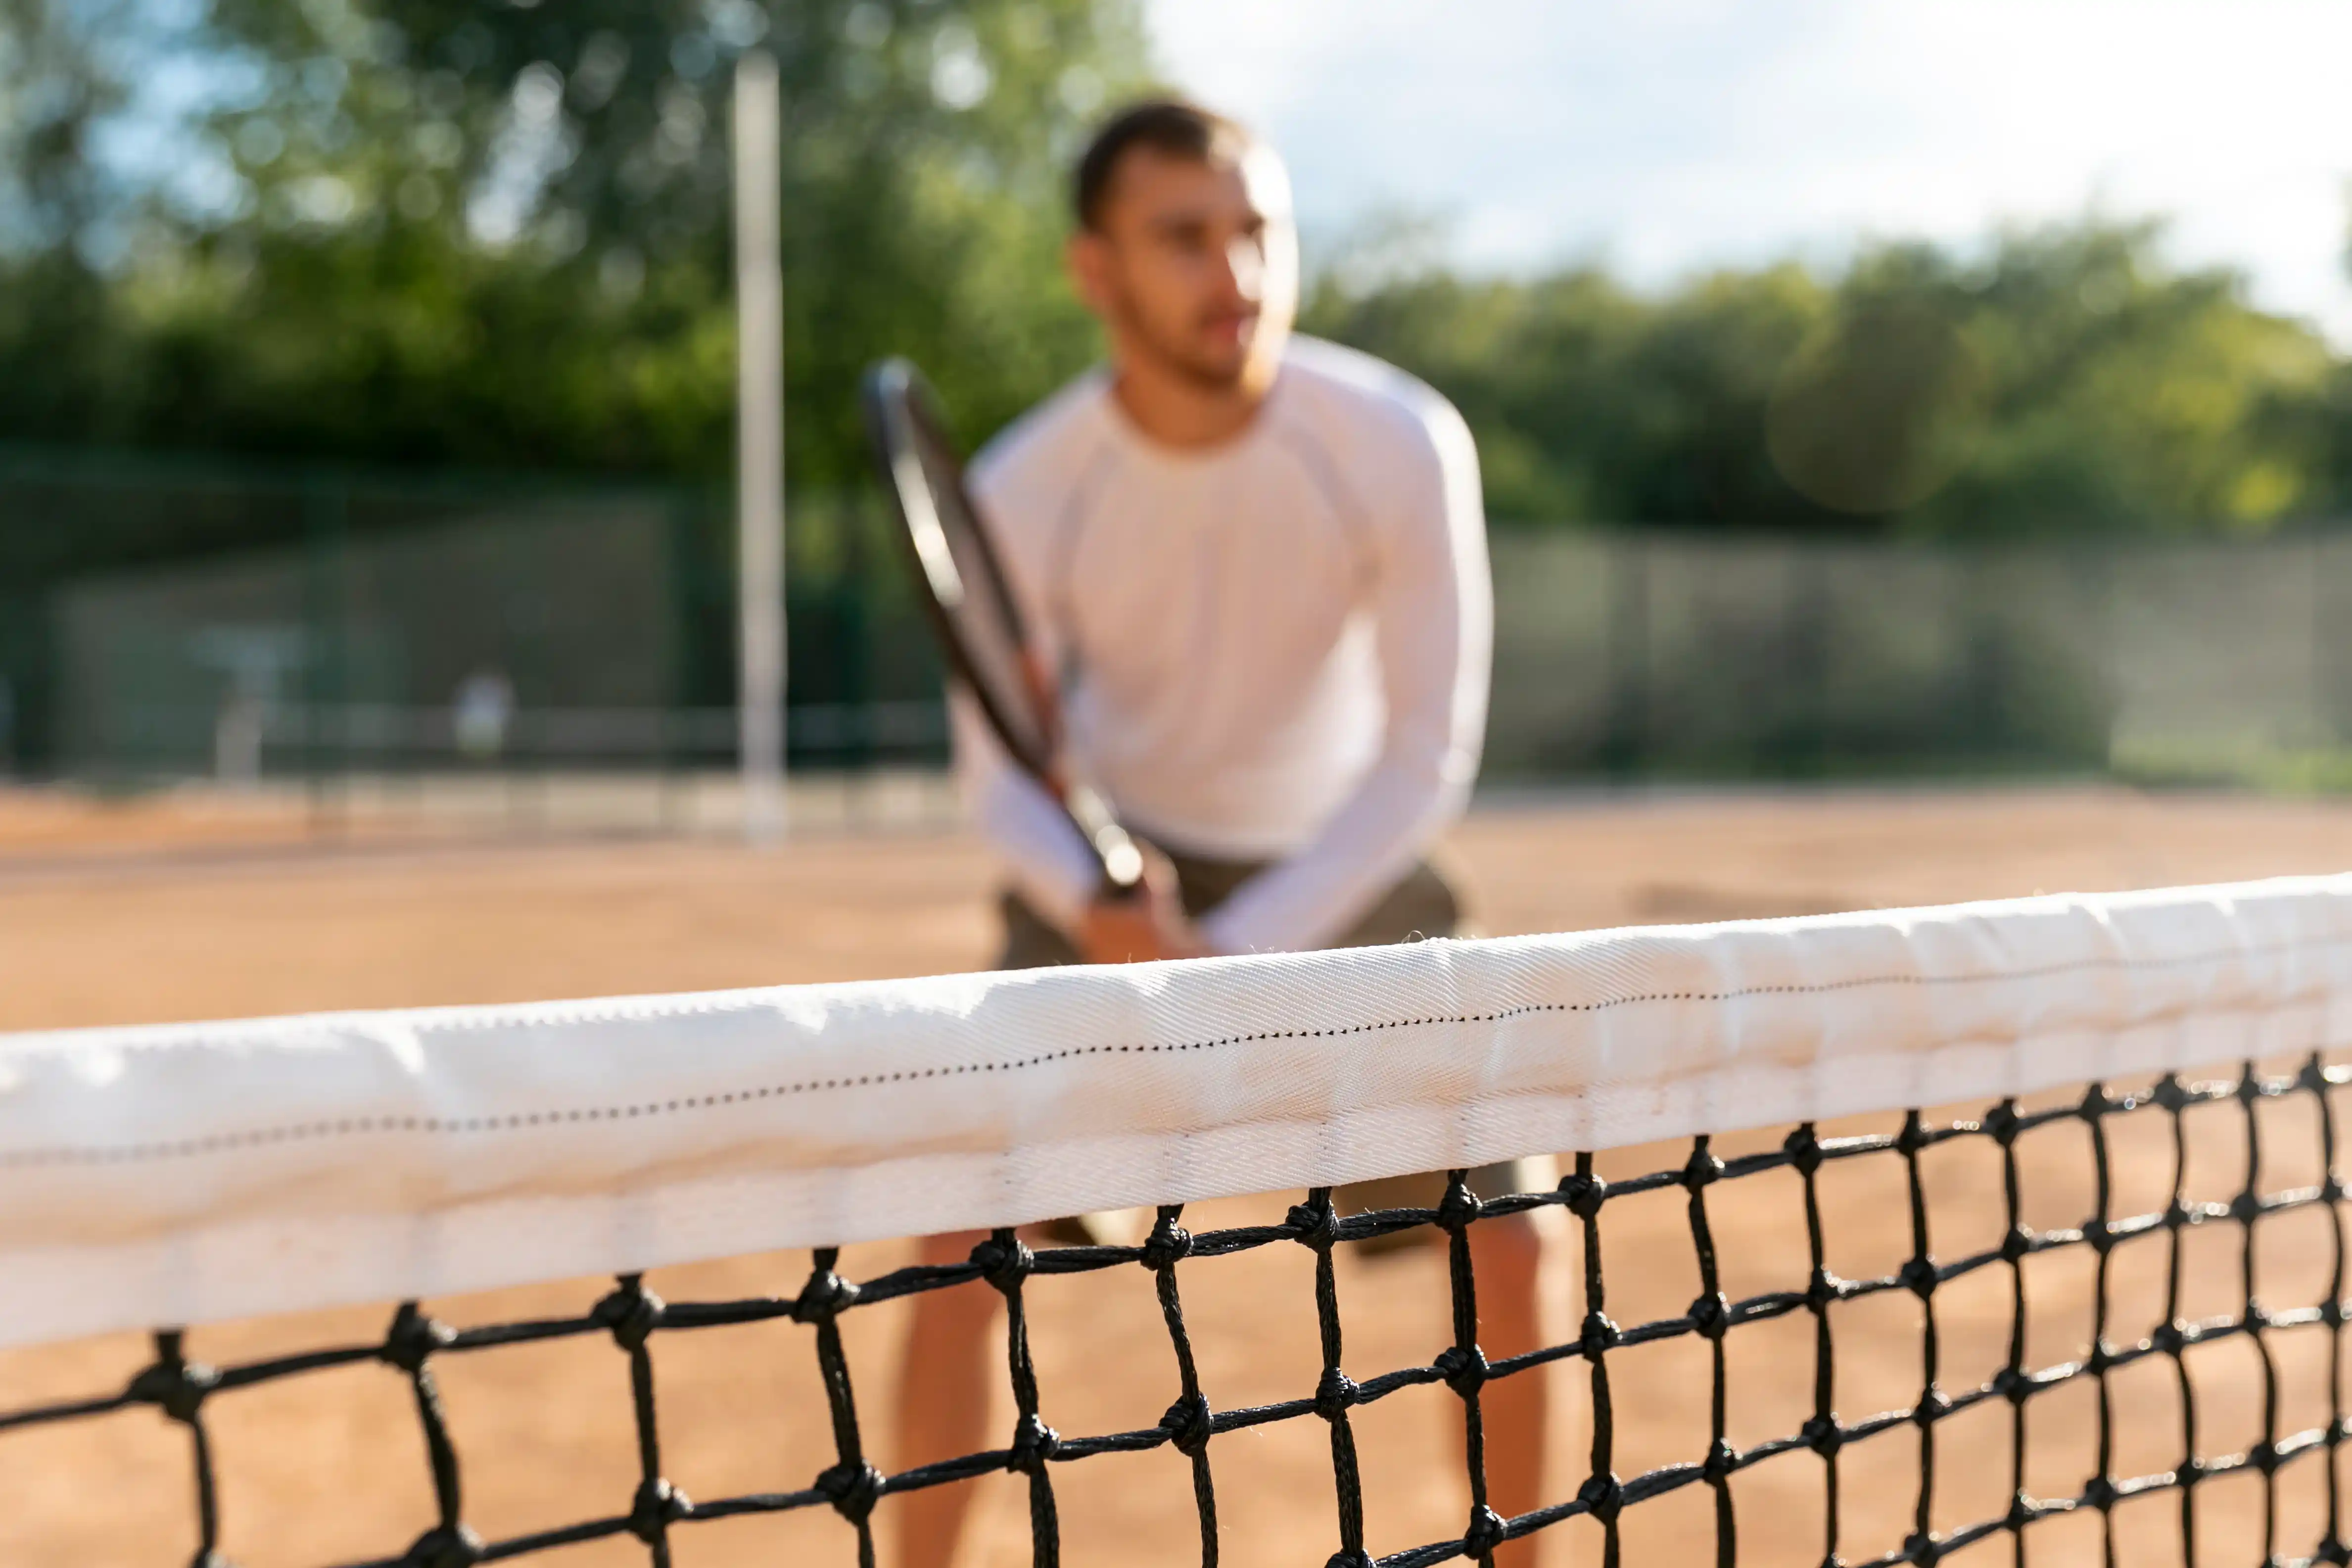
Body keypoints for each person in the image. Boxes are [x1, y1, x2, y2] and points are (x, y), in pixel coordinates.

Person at [893, 100, 1552, 1568]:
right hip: (1109, 892)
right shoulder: (1021, 488)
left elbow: (1423, 753)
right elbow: (997, 780)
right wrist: (1099, 899)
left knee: (1508, 1243)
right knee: (952, 1248)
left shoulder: (1395, 439)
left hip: (1356, 874)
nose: (1232, 271)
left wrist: (1233, 952)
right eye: (1183, 236)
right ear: (1095, 270)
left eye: (1256, 230)